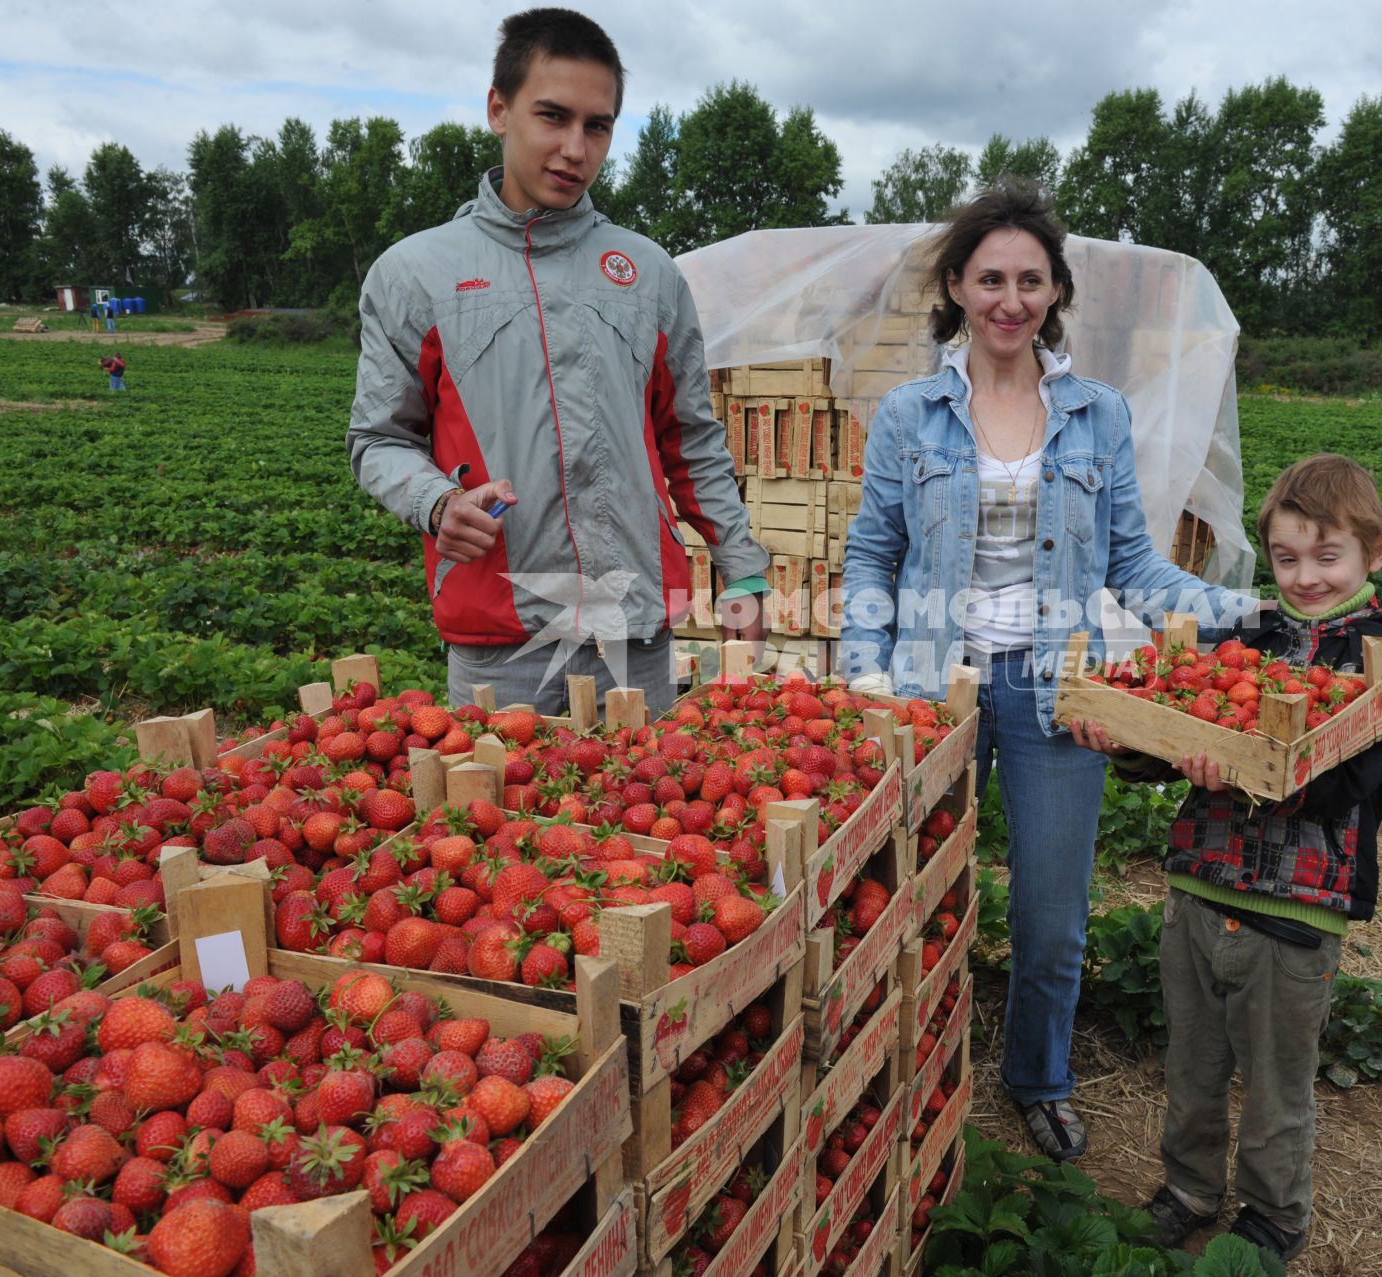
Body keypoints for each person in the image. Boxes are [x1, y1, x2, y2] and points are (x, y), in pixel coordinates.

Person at [839, 182, 1262, 1162]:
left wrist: (1239, 613)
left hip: (1054, 687)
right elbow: (871, 553)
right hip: (928, 685)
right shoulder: (909, 414)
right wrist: (866, 676)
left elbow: (1132, 564)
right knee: (910, 897)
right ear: (957, 284)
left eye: (1031, 279)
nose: (1010, 298)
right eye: (991, 277)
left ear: (1056, 290)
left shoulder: (1096, 415)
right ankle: (908, 1071)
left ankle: (1038, 1078)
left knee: (1054, 915)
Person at [348, 7, 768, 715]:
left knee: (657, 819)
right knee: (506, 823)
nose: (575, 147)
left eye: (597, 126)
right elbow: (378, 439)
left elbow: (691, 439)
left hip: (637, 636)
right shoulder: (415, 274)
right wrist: (436, 502)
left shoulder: (648, 273)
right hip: (501, 645)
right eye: (552, 116)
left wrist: (745, 569)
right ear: (498, 109)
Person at [1075, 453, 1382, 1263]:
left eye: (1327, 555)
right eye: (1286, 557)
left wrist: (1242, 758)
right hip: (1199, 885)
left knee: (1277, 1081)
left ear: (1373, 553)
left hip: (1296, 911)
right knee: (1193, 1059)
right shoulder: (1247, 636)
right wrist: (1128, 738)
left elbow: (1342, 784)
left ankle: (1274, 1214)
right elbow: (1174, 737)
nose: (1305, 575)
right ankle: (1188, 1187)